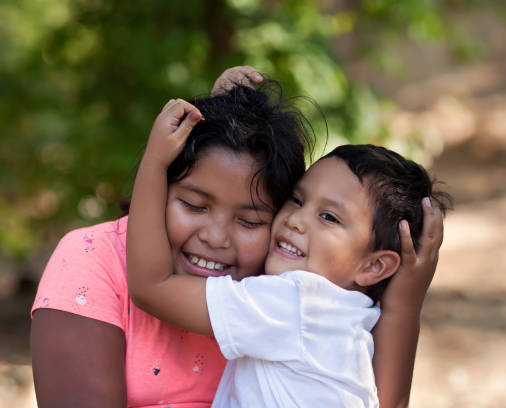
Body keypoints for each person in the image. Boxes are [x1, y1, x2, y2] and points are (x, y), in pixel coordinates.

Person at [30, 66, 444, 407]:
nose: (215, 237)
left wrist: (157, 162)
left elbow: (153, 285)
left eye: (250, 222)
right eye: (193, 205)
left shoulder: (286, 298)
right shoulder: (330, 305)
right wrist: (227, 119)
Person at [127, 104, 451, 408]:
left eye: (328, 217)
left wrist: (155, 163)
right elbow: (390, 403)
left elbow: (151, 286)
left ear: (375, 265)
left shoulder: (292, 302)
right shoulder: (349, 315)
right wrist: (406, 301)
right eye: (296, 200)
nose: (296, 220)